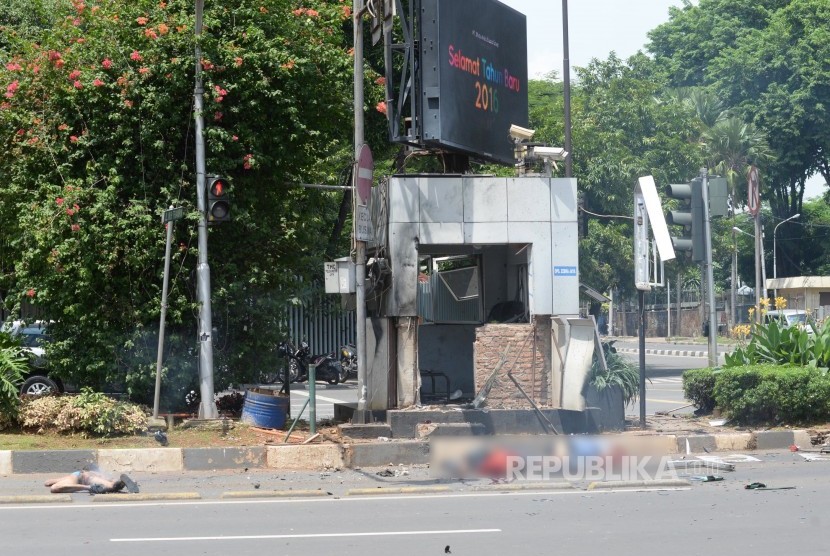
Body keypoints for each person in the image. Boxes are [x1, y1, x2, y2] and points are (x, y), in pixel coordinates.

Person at [45, 467, 139, 494]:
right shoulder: (89, 473)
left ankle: (89, 488)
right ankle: (122, 482)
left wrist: (55, 480)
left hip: (79, 479)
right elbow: (47, 482)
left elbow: (48, 483)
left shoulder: (70, 477)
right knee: (110, 485)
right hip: (89, 475)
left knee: (54, 488)